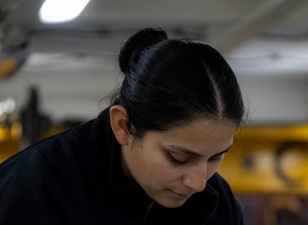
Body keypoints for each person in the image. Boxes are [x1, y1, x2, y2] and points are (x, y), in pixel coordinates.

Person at [0, 27, 246, 225]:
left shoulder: (216, 201)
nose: (199, 182)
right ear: (123, 126)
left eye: (215, 157)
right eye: (179, 157)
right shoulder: (36, 190)